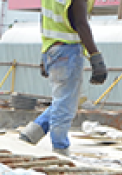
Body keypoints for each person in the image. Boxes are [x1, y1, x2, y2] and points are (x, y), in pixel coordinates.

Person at [17, 0, 106, 156]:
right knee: (65, 105)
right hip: (68, 51)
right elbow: (81, 24)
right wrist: (95, 57)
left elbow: (45, 21)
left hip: (52, 49)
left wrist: (45, 53)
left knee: (65, 100)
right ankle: (60, 148)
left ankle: (32, 132)